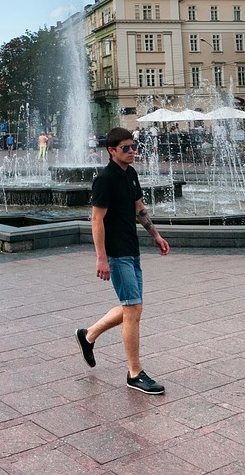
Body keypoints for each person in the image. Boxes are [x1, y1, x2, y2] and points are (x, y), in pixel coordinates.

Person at [75, 128, 170, 395]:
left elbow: (139, 208)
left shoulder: (131, 174)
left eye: (133, 147)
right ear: (112, 150)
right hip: (116, 254)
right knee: (133, 310)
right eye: (126, 148)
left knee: (133, 307)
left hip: (132, 248)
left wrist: (156, 235)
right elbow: (96, 220)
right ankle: (134, 373)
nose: (132, 152)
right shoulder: (104, 179)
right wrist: (101, 258)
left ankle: (88, 335)